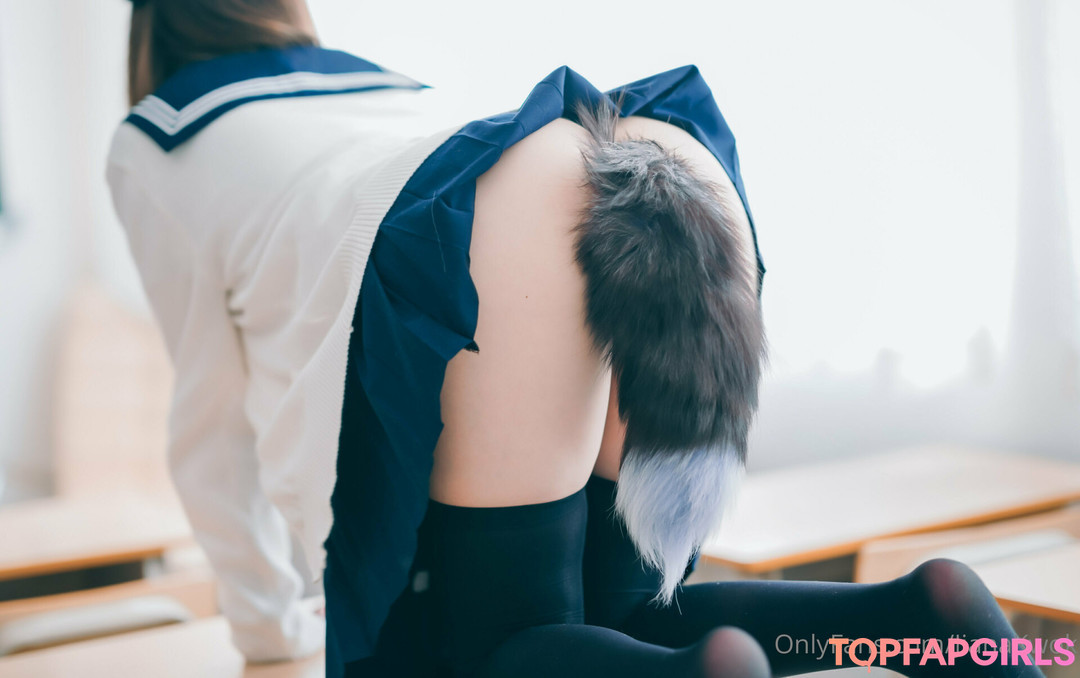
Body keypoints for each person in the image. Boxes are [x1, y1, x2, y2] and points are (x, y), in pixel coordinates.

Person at [107, 2, 1046, 677]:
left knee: (497, 644)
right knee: (626, 613)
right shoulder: (373, 86)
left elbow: (210, 418)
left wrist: (268, 636)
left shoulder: (158, 140)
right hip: (662, 164)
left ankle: (705, 672)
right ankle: (921, 620)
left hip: (495, 221)